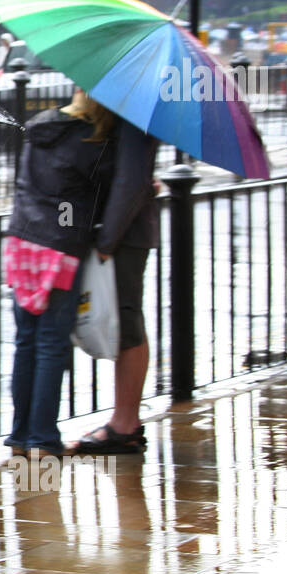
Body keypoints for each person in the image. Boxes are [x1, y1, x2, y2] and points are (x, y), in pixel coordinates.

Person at [3, 91, 116, 457]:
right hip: (61, 245)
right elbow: (104, 192)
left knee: (26, 340)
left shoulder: (40, 127)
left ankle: (20, 436)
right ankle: (41, 439)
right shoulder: (91, 140)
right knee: (52, 342)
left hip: (22, 241)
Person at [72, 114, 160, 454]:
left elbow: (132, 180)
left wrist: (107, 242)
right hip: (125, 231)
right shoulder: (130, 111)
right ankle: (125, 421)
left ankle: (124, 424)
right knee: (128, 320)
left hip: (125, 236)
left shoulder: (134, 117)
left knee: (128, 322)